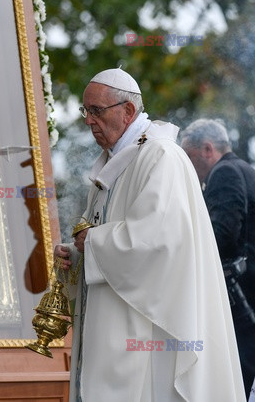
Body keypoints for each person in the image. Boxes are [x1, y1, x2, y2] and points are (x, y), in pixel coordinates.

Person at [54, 68, 245, 401]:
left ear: (127, 111)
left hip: (145, 324)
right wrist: (76, 252)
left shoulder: (160, 156)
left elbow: (158, 240)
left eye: (96, 110)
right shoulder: (112, 164)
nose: (88, 120)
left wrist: (93, 243)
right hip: (113, 318)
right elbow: (101, 231)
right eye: (86, 111)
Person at [181, 118, 255, 398]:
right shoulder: (245, 168)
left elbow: (221, 235)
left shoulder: (224, 173)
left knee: (239, 376)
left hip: (241, 297)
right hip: (249, 291)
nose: (188, 166)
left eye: (189, 156)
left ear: (208, 149)